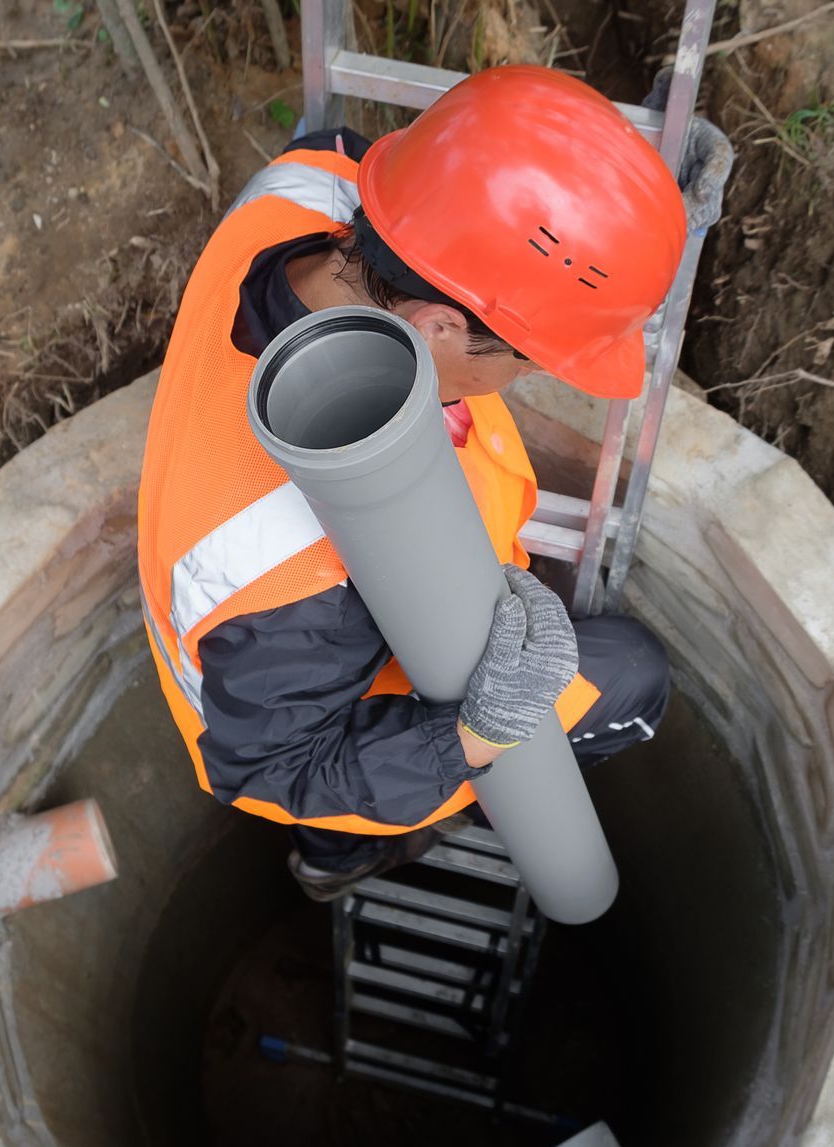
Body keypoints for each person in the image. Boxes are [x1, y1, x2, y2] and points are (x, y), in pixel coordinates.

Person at [136, 65, 730, 900]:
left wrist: (622, 245)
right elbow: (275, 768)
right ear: (437, 325)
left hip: (299, 658)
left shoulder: (308, 192)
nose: (529, 378)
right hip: (297, 718)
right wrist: (479, 738)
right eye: (530, 359)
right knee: (629, 678)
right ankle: (349, 856)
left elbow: (460, 183)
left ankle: (348, 850)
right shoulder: (299, 578)